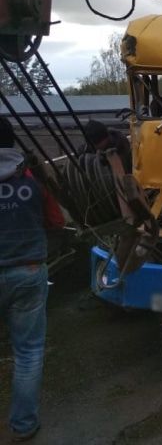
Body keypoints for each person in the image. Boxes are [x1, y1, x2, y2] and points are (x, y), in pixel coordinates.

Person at [0, 117, 64, 441]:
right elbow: (56, 221)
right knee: (27, 352)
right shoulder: (33, 181)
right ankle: (23, 425)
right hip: (28, 272)